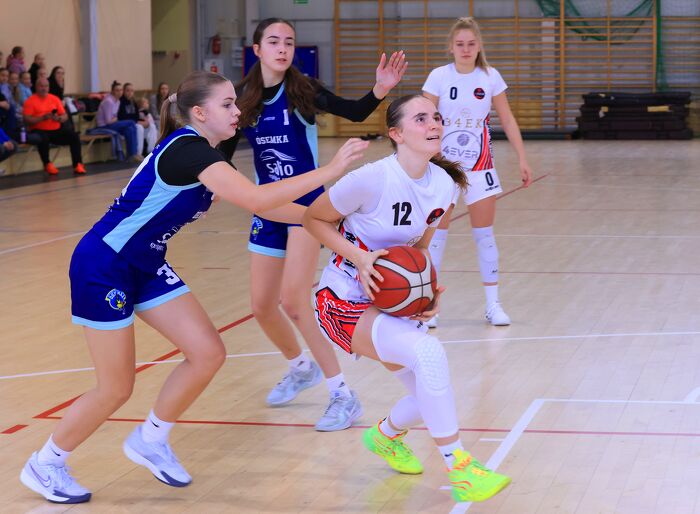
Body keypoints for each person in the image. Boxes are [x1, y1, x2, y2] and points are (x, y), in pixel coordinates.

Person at [19, 70, 369, 504]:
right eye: (227, 104)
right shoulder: (187, 150)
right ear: (200, 113)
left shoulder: (206, 154)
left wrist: (327, 217)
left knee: (207, 352)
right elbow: (258, 200)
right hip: (104, 265)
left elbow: (269, 209)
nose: (237, 110)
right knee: (116, 386)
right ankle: (46, 462)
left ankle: (151, 438)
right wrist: (330, 171)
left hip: (146, 263)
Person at [303, 94, 511, 503]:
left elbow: (420, 250)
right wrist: (361, 258)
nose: (434, 124)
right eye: (421, 119)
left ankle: (384, 436)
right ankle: (460, 468)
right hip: (341, 300)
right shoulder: (371, 178)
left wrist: (427, 294)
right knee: (430, 355)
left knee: (428, 392)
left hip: (389, 302)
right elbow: (314, 219)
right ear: (396, 134)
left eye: (436, 117)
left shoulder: (446, 184)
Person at [218, 17, 407, 431]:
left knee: (294, 302)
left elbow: (354, 112)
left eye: (289, 42)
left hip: (305, 210)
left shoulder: (303, 92)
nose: (282, 48)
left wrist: (380, 89)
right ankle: (300, 367)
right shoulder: (243, 100)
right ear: (256, 49)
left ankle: (342, 395)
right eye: (274, 41)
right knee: (261, 306)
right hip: (268, 208)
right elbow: (222, 154)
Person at [422, 17, 533, 327]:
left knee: (484, 236)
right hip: (443, 168)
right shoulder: (438, 77)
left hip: (480, 167)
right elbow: (423, 119)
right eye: (460, 44)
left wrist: (522, 158)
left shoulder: (490, 76)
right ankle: (431, 305)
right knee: (436, 238)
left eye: (471, 43)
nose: (466, 49)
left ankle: (493, 304)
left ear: (479, 45)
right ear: (451, 47)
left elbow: (507, 119)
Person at [22, 77, 86, 175]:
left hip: (56, 129)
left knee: (74, 136)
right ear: (36, 87)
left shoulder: (54, 99)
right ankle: (47, 164)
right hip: (39, 129)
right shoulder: (30, 101)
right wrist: (42, 118)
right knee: (43, 138)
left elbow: (64, 116)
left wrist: (59, 118)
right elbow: (27, 119)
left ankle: (78, 164)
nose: (44, 88)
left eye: (46, 86)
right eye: (41, 86)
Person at [95, 80, 140, 161]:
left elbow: (115, 117)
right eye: (117, 90)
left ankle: (131, 155)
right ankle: (133, 153)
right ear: (112, 91)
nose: (119, 92)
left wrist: (116, 118)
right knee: (132, 122)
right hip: (104, 126)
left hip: (113, 124)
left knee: (129, 129)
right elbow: (108, 121)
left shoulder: (118, 101)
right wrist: (116, 118)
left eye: (121, 90)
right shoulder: (108, 101)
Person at [119, 82, 157, 154]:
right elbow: (122, 117)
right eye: (128, 90)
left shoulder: (133, 102)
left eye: (132, 91)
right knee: (139, 127)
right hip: (127, 126)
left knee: (152, 126)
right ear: (123, 91)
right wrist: (138, 122)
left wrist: (143, 121)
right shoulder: (120, 102)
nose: (130, 93)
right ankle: (138, 153)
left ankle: (151, 151)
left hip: (135, 122)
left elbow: (136, 116)